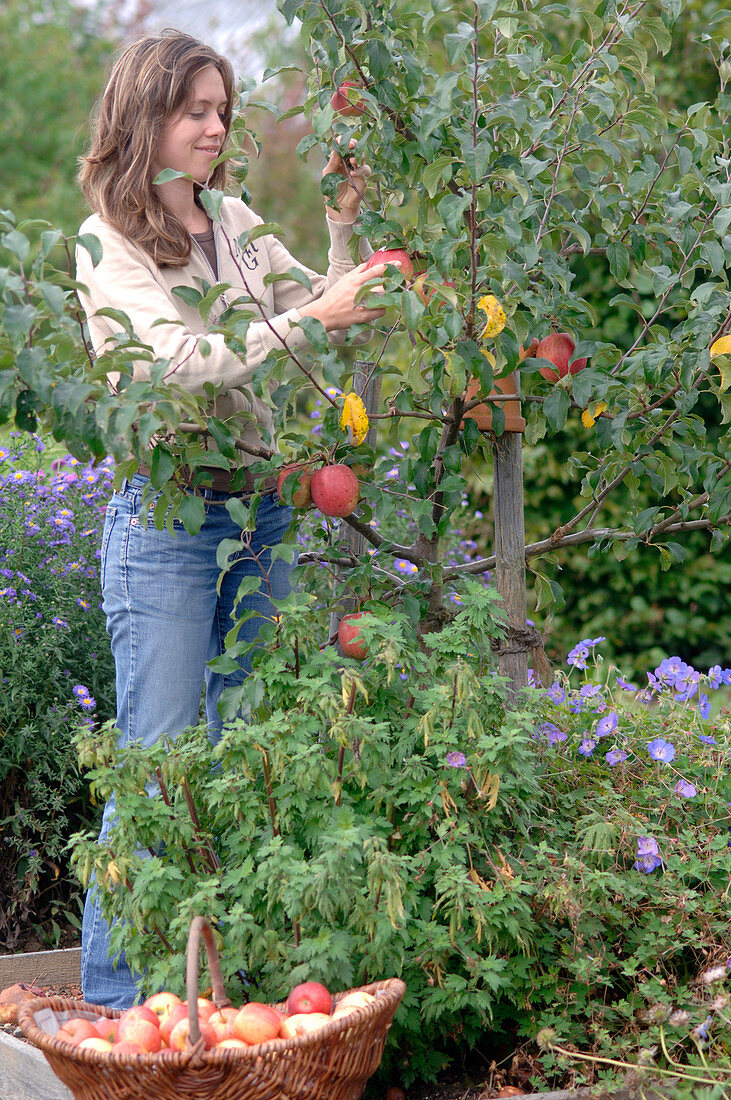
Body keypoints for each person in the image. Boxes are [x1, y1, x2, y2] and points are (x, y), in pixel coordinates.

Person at [75, 28, 389, 1009]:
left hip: (258, 517)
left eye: (221, 109)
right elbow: (174, 359)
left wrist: (343, 229)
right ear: (145, 117)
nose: (215, 126)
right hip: (168, 522)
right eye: (195, 110)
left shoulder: (237, 221)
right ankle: (124, 1005)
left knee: (253, 759)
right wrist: (310, 316)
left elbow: (318, 307)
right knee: (160, 769)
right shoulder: (107, 244)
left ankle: (230, 991)